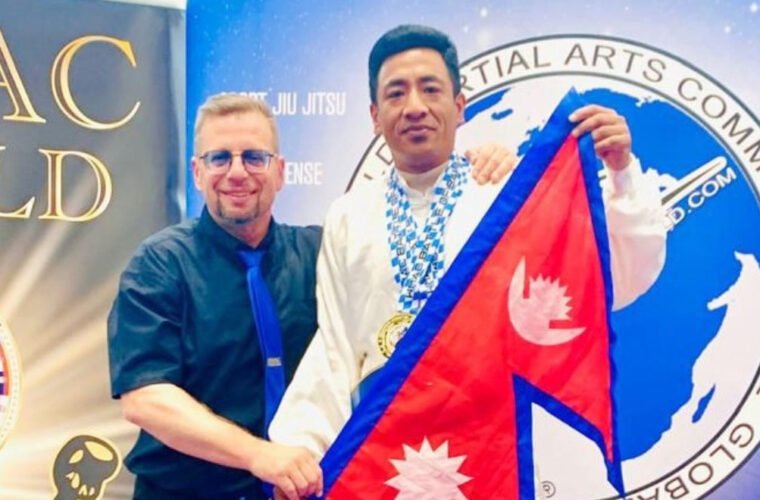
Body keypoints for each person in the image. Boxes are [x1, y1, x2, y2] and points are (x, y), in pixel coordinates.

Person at [269, 22, 667, 475]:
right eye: (396, 94)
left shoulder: (506, 195)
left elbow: (606, 280)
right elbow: (336, 346)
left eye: (430, 89)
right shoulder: (349, 214)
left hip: (496, 442)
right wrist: (302, 446)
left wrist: (620, 173)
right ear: (375, 116)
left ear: (459, 107)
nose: (414, 107)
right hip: (390, 450)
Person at [107, 92, 518, 500]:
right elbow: (146, 399)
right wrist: (259, 456)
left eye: (254, 157)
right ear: (197, 172)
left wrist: (481, 175)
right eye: (219, 158)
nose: (237, 172)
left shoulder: (321, 253)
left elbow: (424, 281)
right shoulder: (159, 265)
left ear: (280, 171)